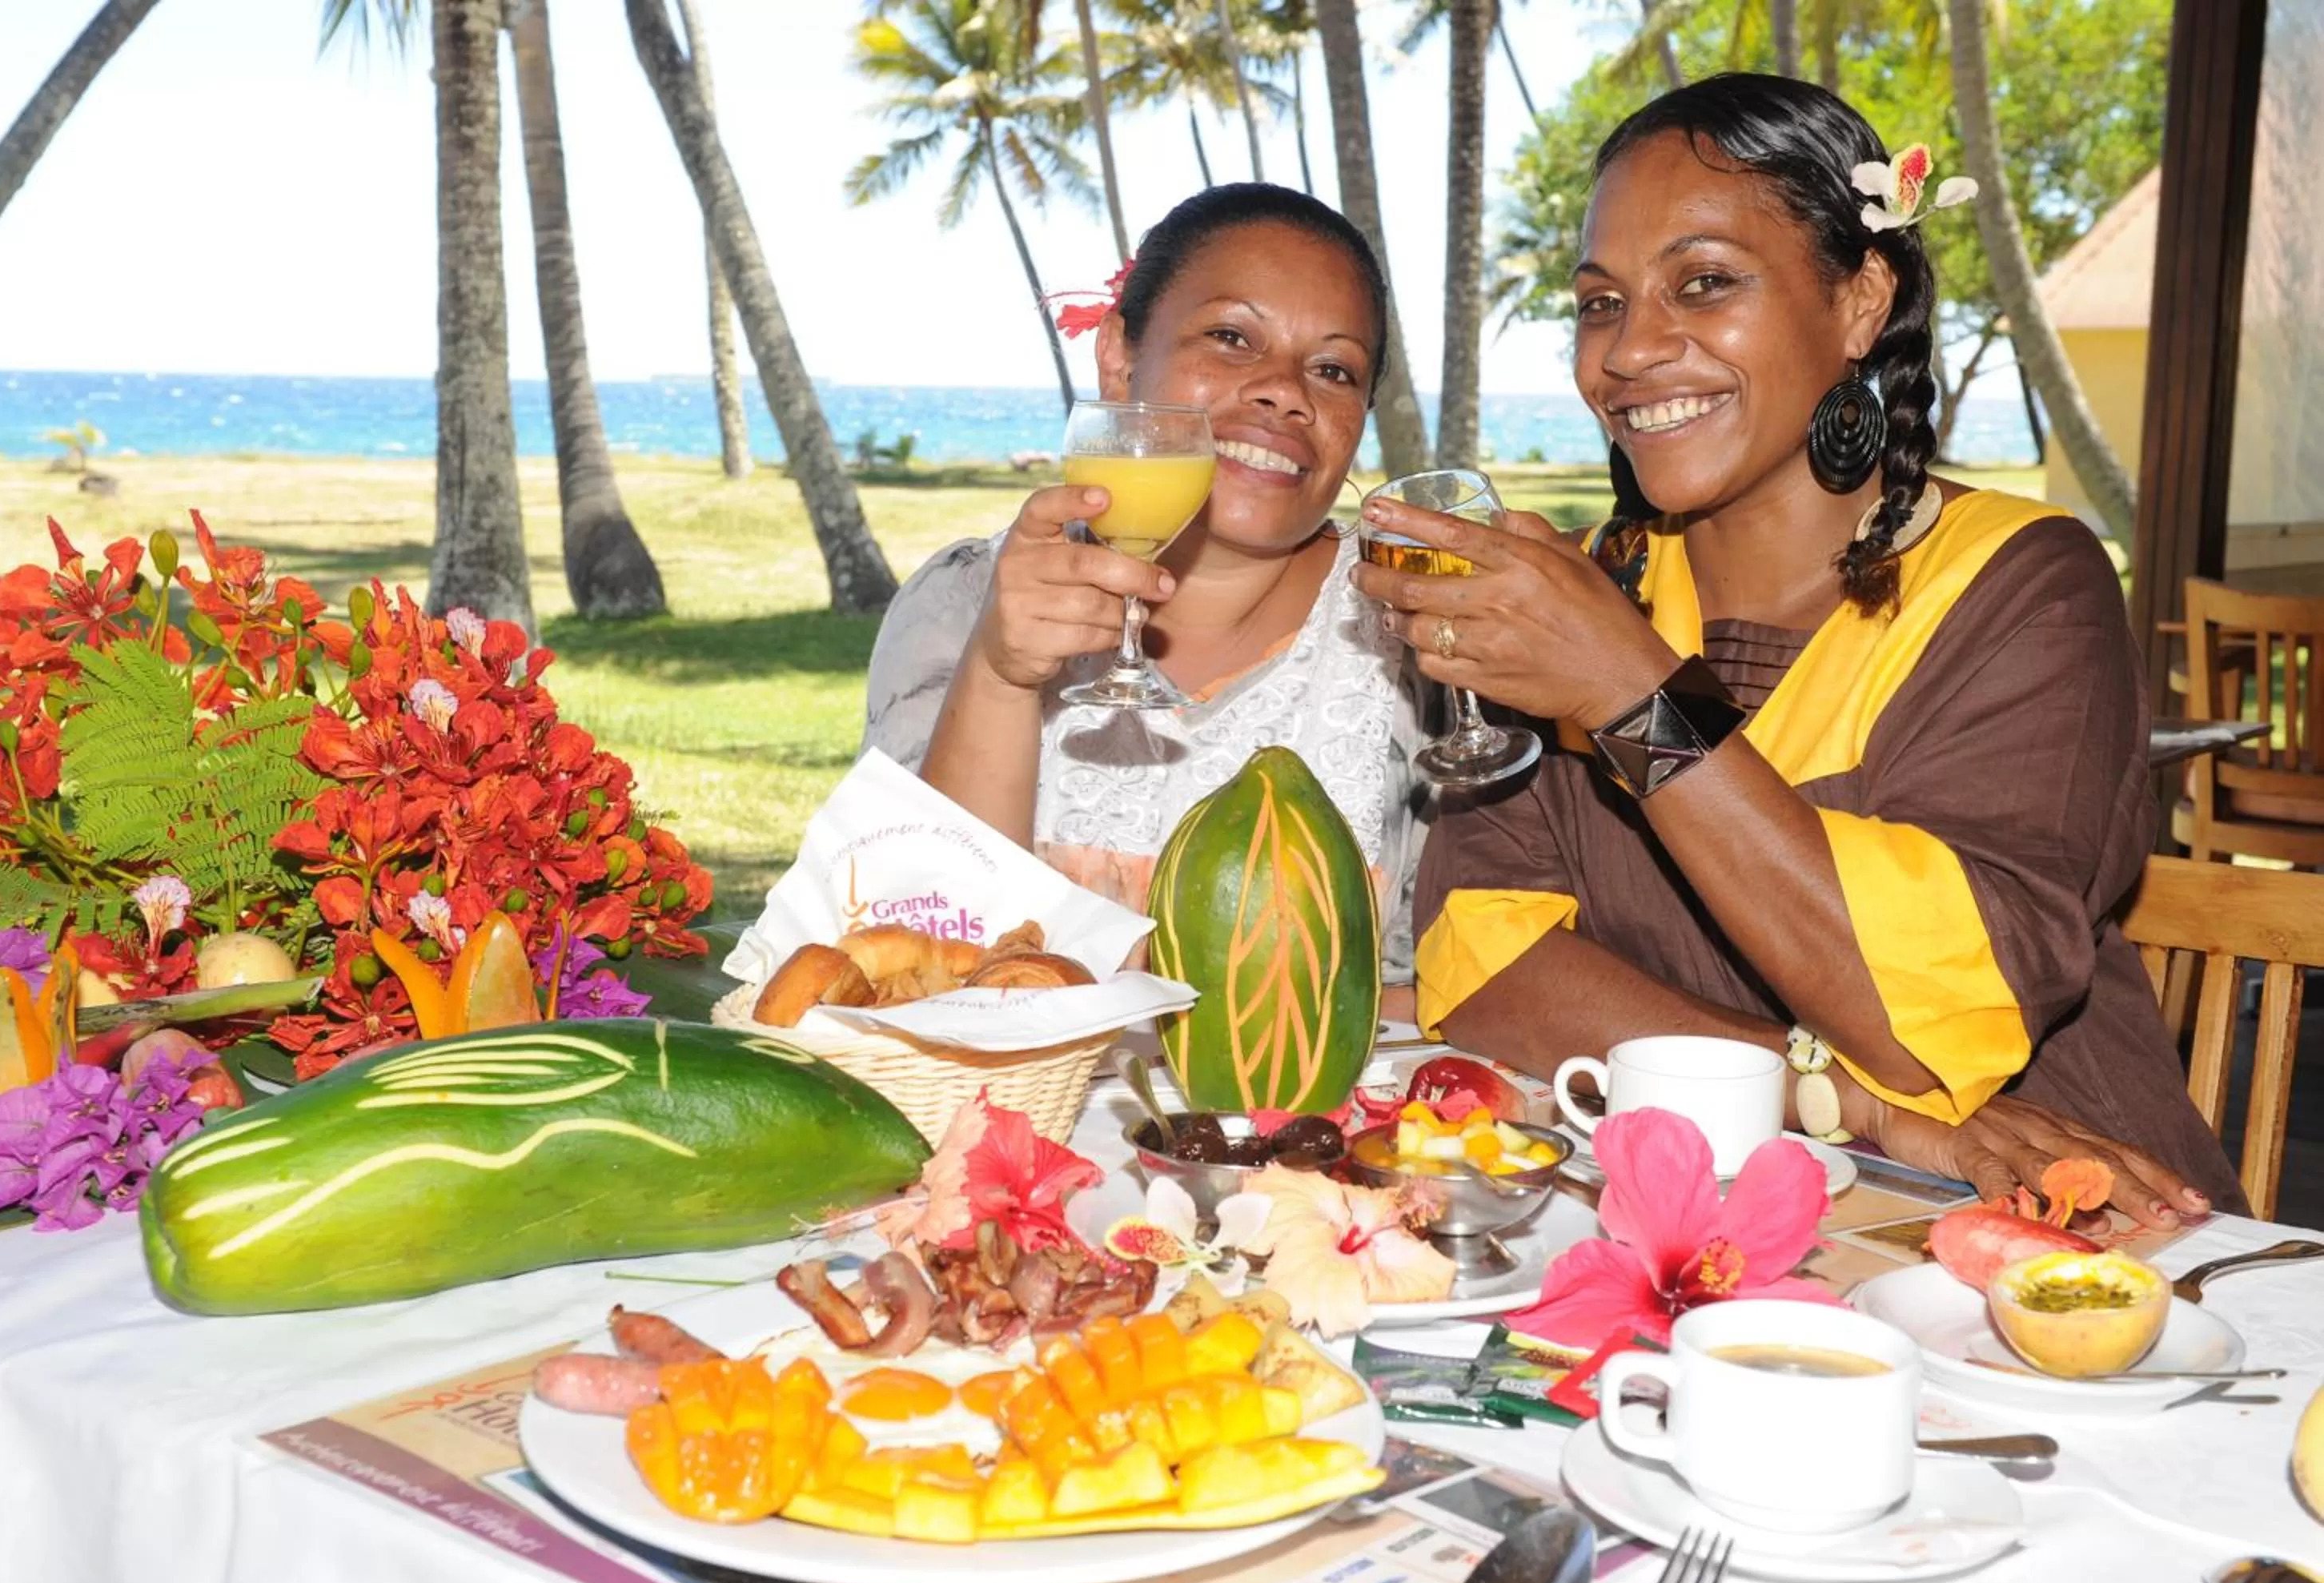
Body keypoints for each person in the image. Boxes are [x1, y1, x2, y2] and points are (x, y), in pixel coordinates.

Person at [1351, 74, 2244, 1222]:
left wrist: (1631, 691)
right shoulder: (1584, 592)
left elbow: (1923, 1025)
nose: (1630, 351)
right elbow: (1484, 969)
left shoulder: (2024, 587)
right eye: (1599, 302)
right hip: (1699, 1214)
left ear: (1862, 300)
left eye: (1706, 283)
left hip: (2053, 1239)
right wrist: (1834, 1098)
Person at [865, 183, 1431, 1006]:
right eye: (1233, 338)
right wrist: (999, 673)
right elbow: (907, 971)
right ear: (1120, 358)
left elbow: (1458, 991)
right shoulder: (959, 606)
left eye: (1333, 369)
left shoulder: (1417, 635)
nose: (1285, 391)